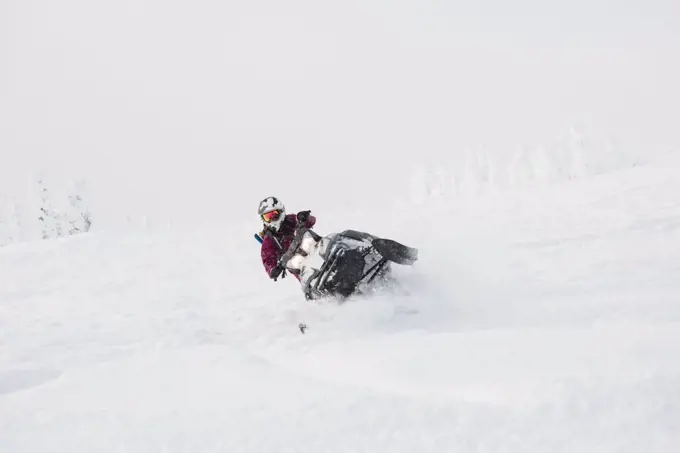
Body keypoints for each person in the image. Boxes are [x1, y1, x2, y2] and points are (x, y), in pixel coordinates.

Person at [257, 196, 316, 281]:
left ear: (281, 211)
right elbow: (267, 258)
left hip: (312, 248)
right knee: (310, 283)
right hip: (298, 265)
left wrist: (304, 218)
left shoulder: (290, 220)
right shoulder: (269, 239)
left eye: (274, 215)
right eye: (267, 217)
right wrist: (273, 269)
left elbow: (311, 221)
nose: (271, 219)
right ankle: (315, 290)